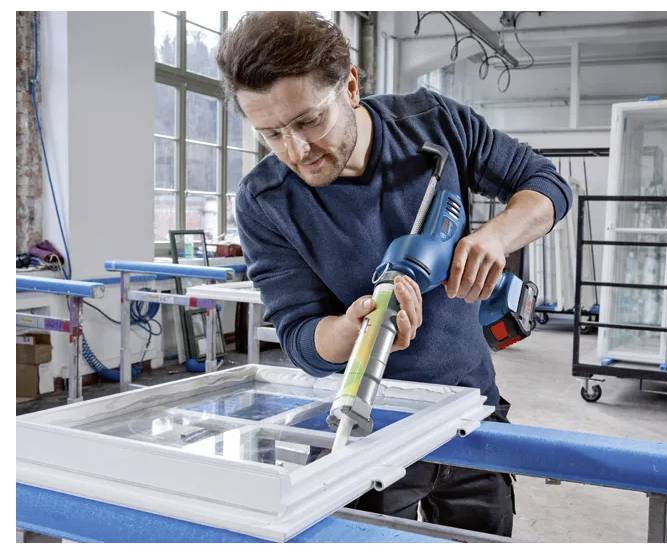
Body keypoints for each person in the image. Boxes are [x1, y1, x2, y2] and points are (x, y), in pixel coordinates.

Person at [217, 11, 572, 537]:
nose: (296, 151)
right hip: (371, 427)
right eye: (271, 134)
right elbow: (299, 337)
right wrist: (352, 330)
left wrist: (496, 236)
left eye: (309, 121)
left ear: (351, 86)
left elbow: (547, 185)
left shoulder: (432, 123)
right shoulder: (265, 201)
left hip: (471, 406)